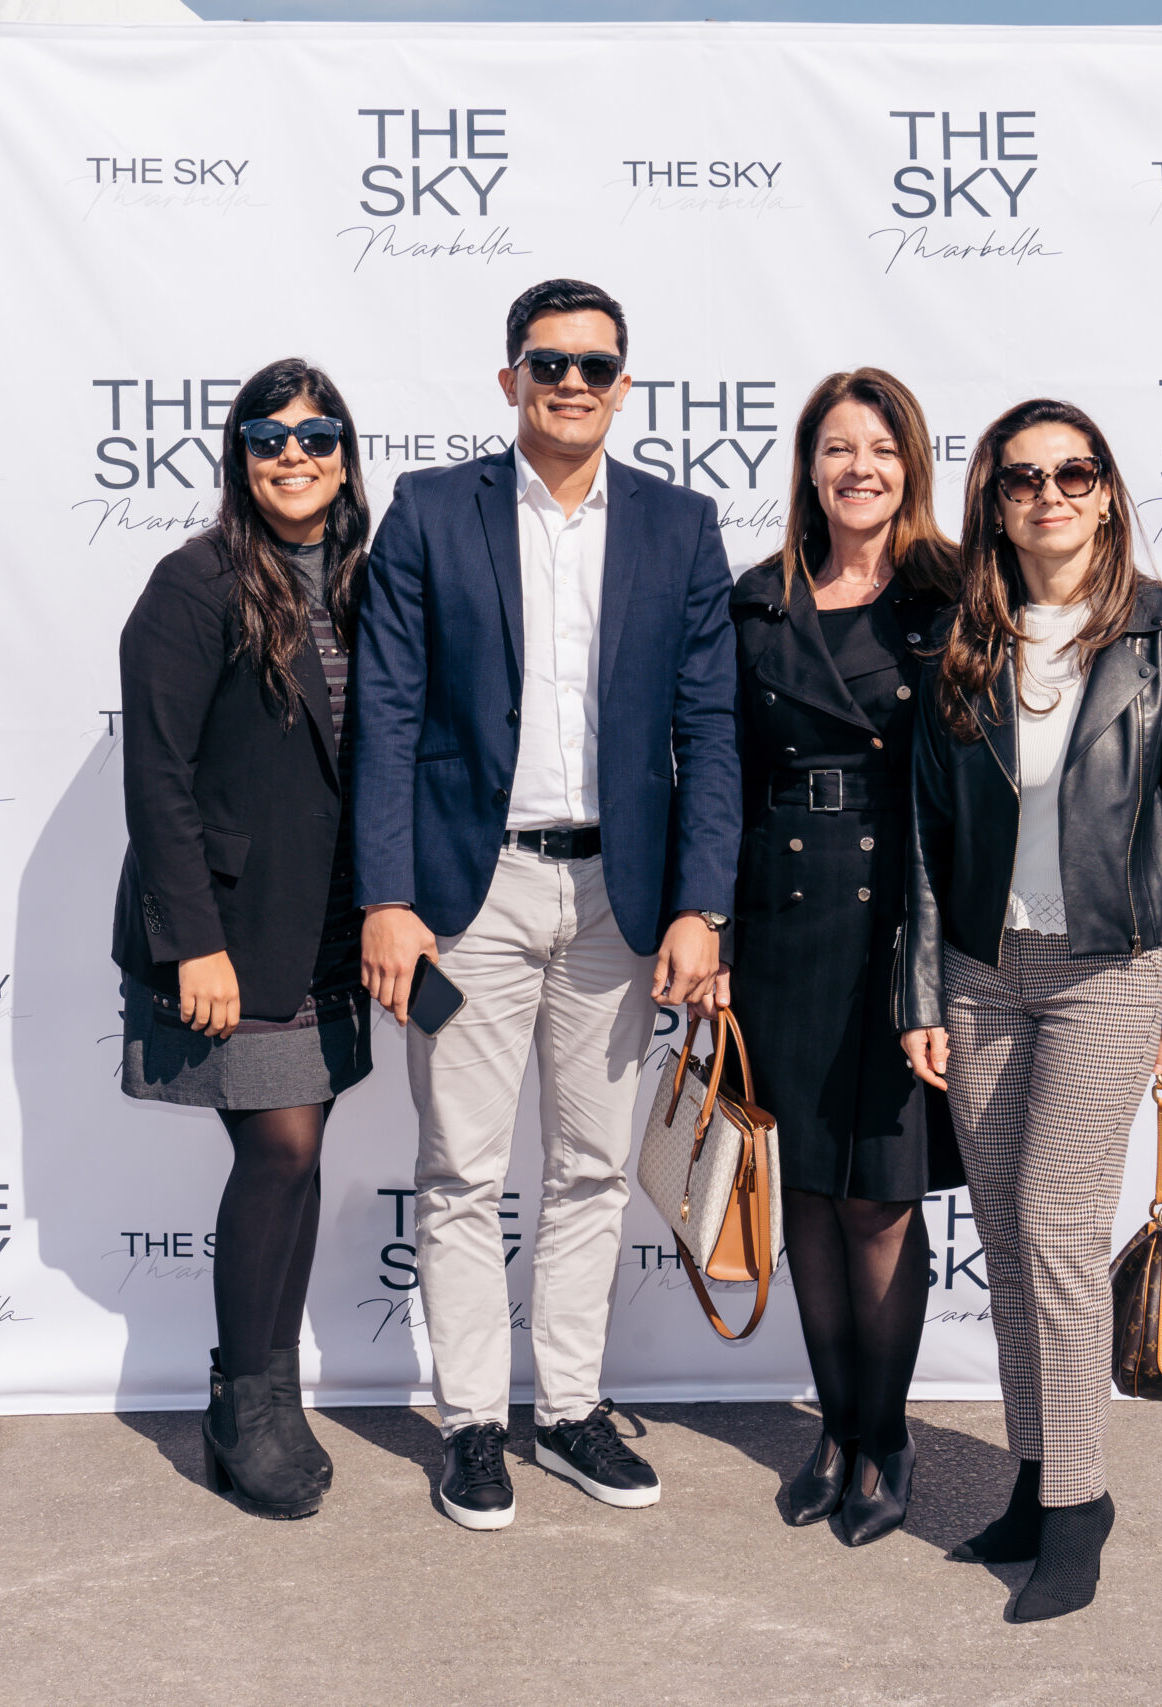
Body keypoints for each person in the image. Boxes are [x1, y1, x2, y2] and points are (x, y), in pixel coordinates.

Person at [724, 373, 1162, 1548]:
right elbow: (739, 765)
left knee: (957, 1214)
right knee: (879, 1207)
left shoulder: (986, 604)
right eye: (835, 448)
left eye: (880, 448)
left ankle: (1003, 1478)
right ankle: (887, 1444)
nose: (858, 468)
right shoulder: (799, 606)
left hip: (1010, 944)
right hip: (858, 935)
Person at [352, 279, 739, 1532]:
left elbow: (709, 727)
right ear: (509, 377)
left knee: (591, 1168)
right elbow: (386, 715)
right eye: (548, 362)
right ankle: (471, 1423)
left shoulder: (679, 525)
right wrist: (387, 896)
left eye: (595, 365)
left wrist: (701, 905)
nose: (572, 383)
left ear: (624, 385)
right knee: (460, 1171)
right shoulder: (430, 510)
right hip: (470, 897)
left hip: (619, 899)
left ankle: (568, 1410)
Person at [899, 397, 1162, 1622]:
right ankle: (1036, 1483)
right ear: (992, 502)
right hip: (982, 972)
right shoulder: (958, 637)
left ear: (1105, 491)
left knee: (1054, 1231)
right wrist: (923, 988)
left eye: (1073, 473)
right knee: (1006, 1235)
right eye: (1023, 478)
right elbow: (927, 830)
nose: (1049, 495)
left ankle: (1080, 1506)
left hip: (1106, 968)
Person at [111, 358, 374, 1521]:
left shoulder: (369, 582)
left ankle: (271, 1395)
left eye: (316, 435)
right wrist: (193, 943)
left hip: (332, 926)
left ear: (346, 455)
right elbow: (156, 776)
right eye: (268, 438)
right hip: (234, 930)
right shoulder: (195, 582)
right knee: (278, 1149)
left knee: (300, 1155)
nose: (293, 456)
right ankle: (241, 1402)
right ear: (239, 457)